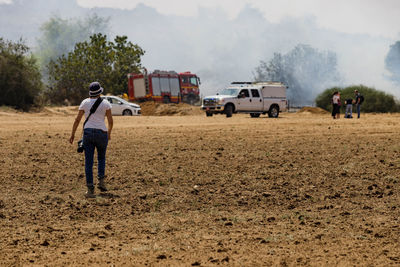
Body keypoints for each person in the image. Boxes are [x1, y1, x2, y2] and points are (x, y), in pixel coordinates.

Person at [69, 82, 113, 198]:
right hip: (102, 132)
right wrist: (109, 133)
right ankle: (101, 182)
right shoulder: (106, 103)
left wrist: (72, 134)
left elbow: (77, 120)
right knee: (101, 158)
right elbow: (110, 121)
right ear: (100, 92)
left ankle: (90, 189)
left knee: (88, 161)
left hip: (88, 133)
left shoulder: (85, 102)